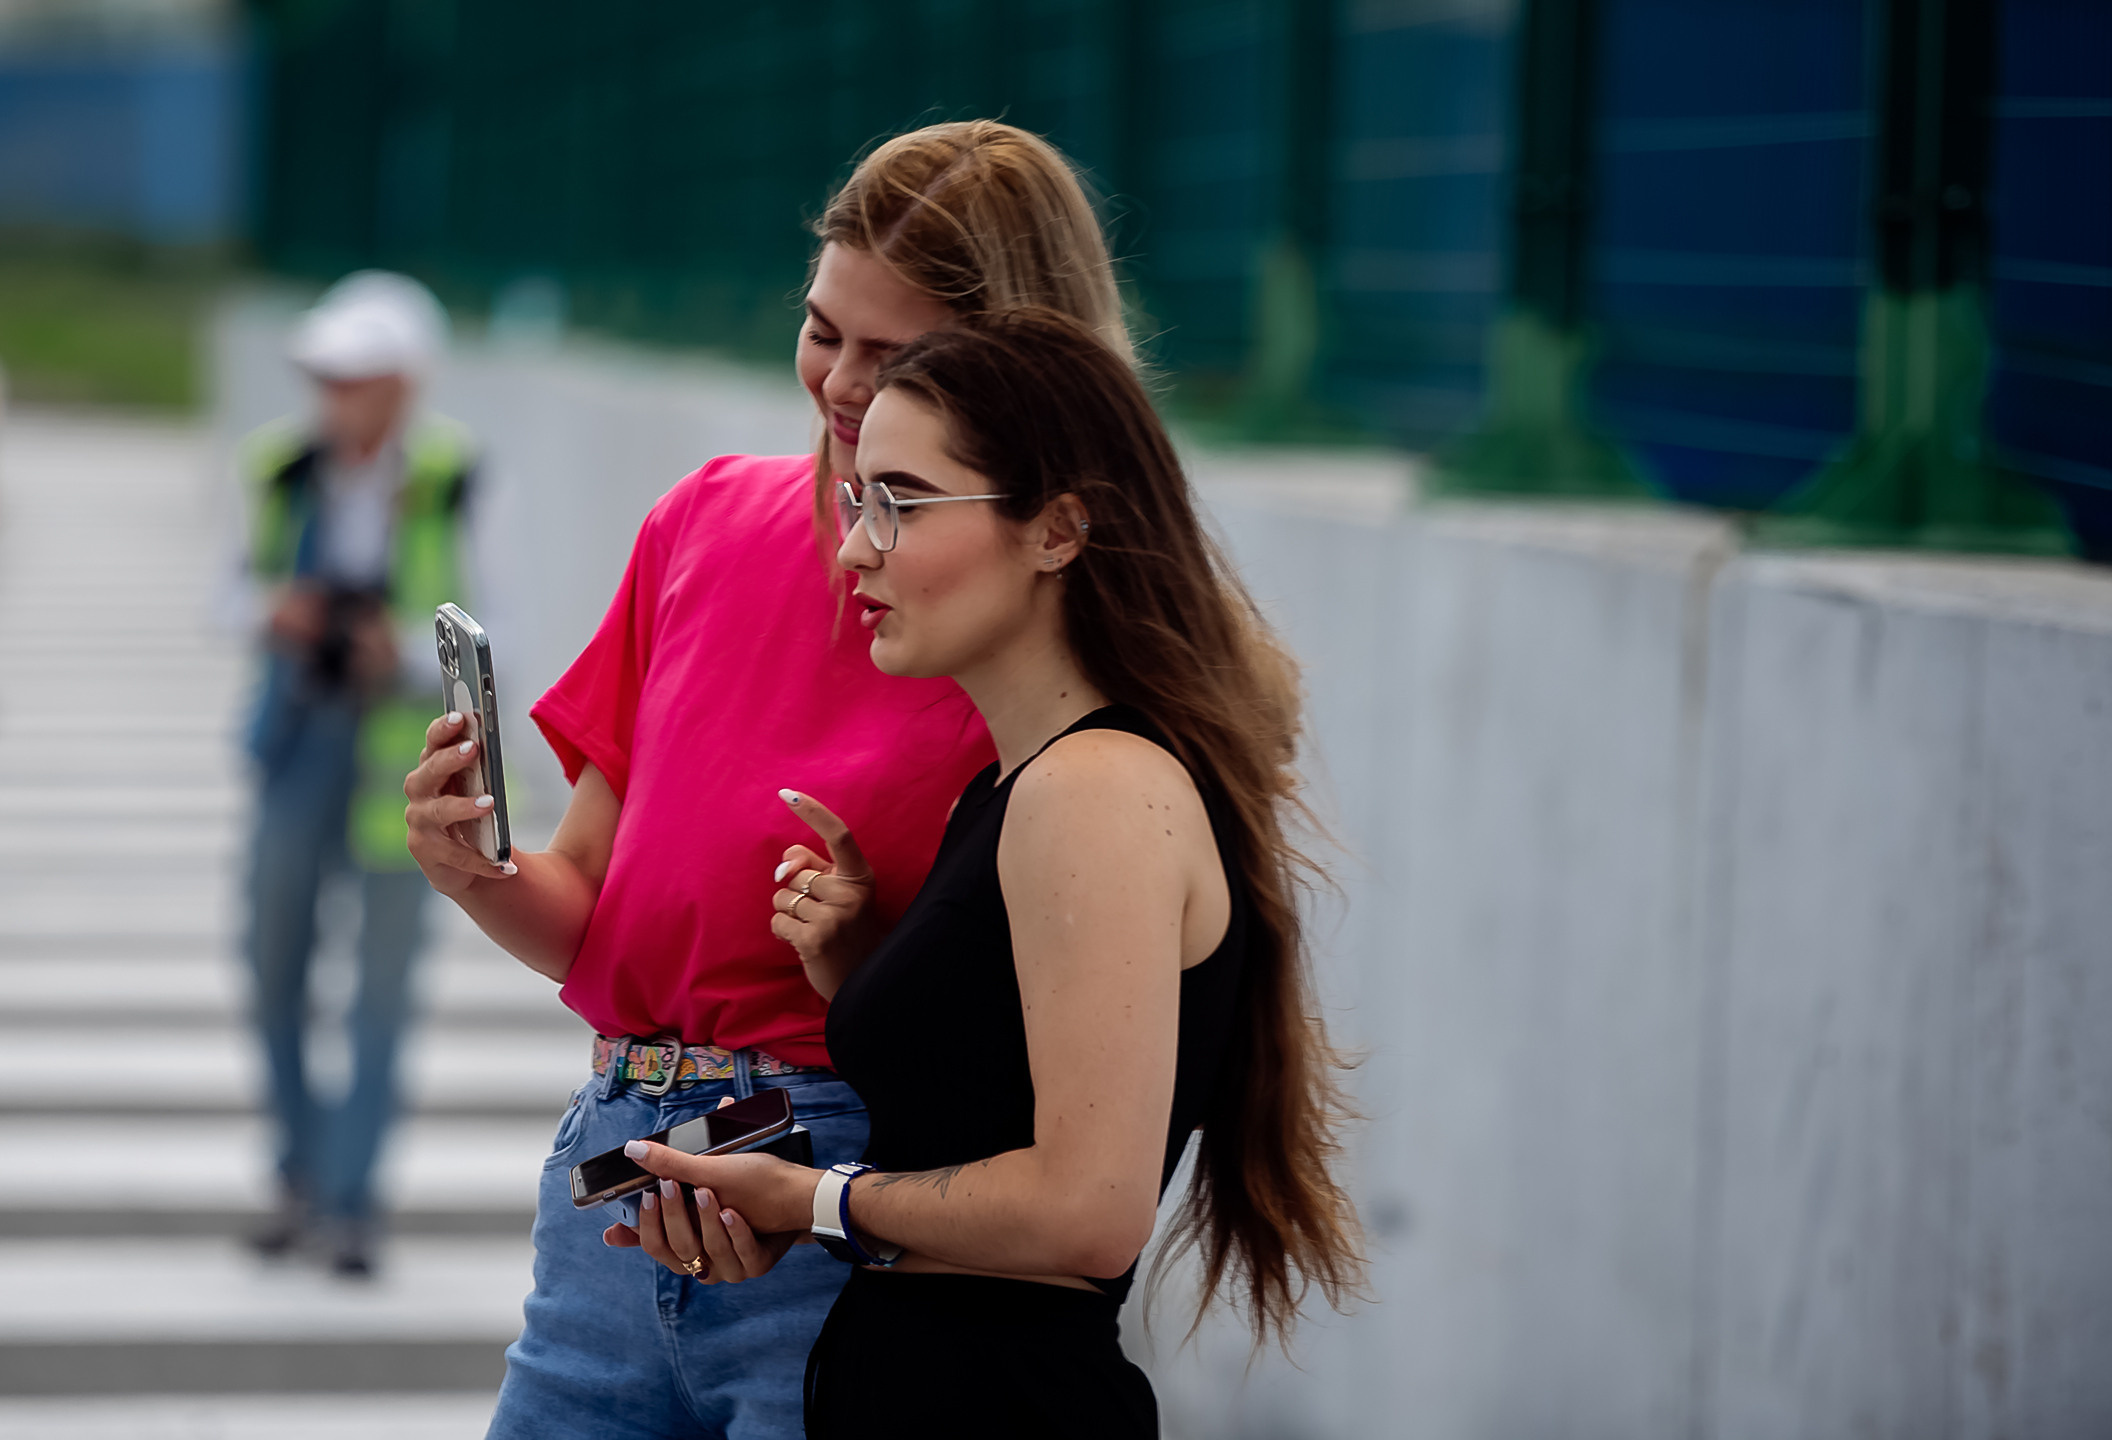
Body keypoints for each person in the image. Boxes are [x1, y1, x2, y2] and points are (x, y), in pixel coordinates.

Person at [400, 122, 1133, 1438]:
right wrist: (480, 871)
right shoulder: (702, 522)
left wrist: (842, 1033)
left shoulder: (1030, 624)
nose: (839, 385)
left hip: (842, 1203)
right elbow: (595, 904)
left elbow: (1025, 1043)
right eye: (820, 332)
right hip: (618, 1183)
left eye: (891, 353)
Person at [621, 309, 1366, 1437]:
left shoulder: (1098, 790)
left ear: (1059, 530)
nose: (854, 546)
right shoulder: (1019, 787)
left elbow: (1086, 1211)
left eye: (903, 504)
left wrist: (815, 1200)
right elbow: (991, 1094)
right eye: (858, 498)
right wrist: (863, 967)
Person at [234, 274, 475, 1279]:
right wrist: (275, 612)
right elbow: (224, 591)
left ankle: (349, 1201)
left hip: (401, 766)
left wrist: (402, 655)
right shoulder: (282, 469)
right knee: (272, 967)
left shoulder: (458, 478)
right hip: (296, 736)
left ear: (403, 384)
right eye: (322, 376)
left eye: (352, 377)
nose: (330, 396)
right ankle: (299, 1174)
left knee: (380, 993)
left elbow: (491, 630)